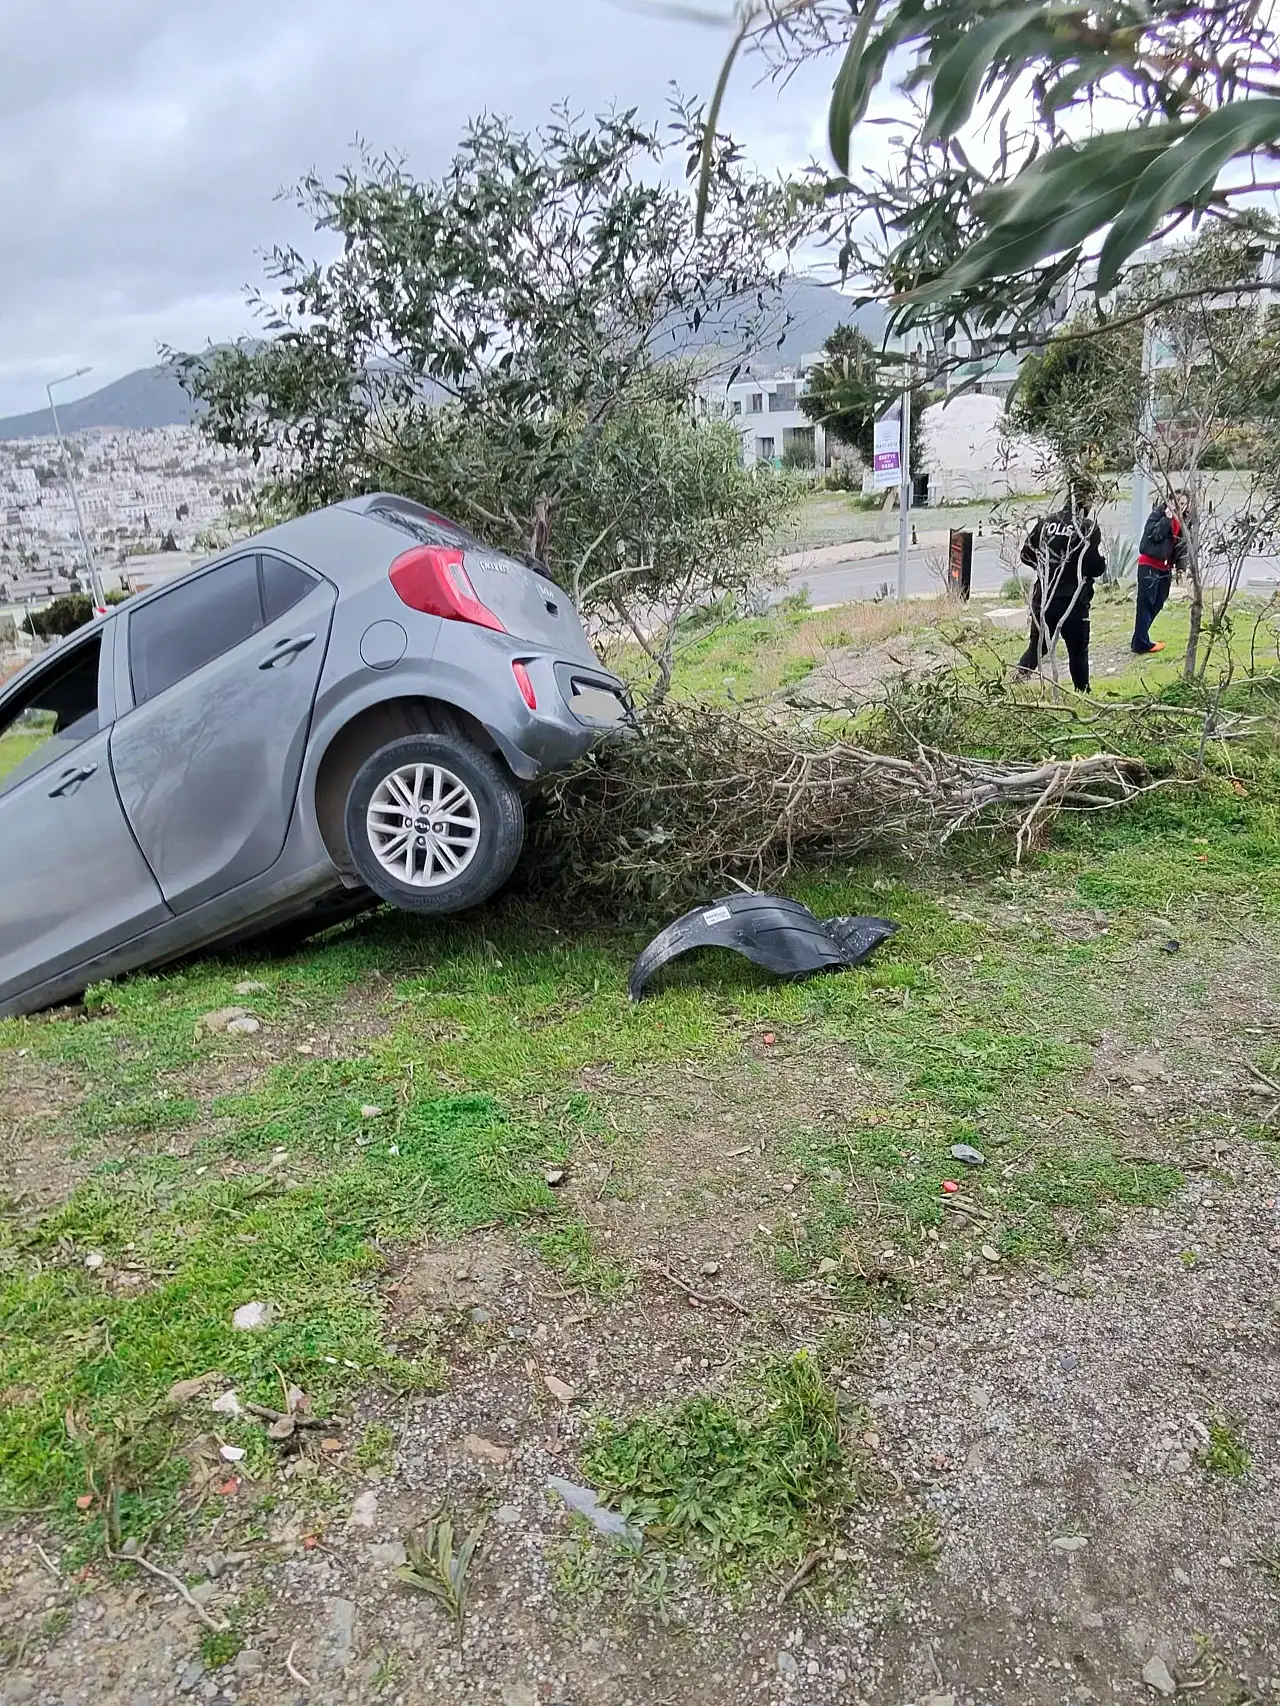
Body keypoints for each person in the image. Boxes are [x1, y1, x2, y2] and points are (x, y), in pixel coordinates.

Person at [1015, 488, 1108, 692]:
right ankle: (1082, 693)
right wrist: (1077, 570)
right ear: (1087, 502)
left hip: (1044, 597)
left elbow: (1026, 554)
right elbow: (1095, 566)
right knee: (1078, 651)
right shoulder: (1087, 528)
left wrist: (1047, 569)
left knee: (1037, 647)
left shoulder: (1046, 522)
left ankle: (1015, 682)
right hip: (1073, 600)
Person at [1131, 493, 1188, 653]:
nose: (1180, 507)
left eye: (1183, 504)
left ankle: (1139, 639)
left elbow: (1181, 548)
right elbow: (1155, 536)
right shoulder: (1157, 515)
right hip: (1149, 564)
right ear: (1169, 502)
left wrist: (1181, 568)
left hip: (1165, 568)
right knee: (1146, 603)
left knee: (1159, 602)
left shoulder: (1184, 521)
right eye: (1176, 502)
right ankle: (1142, 642)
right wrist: (1167, 519)